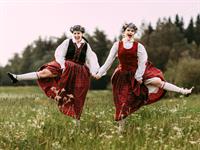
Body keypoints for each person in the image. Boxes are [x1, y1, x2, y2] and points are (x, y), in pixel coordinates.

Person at [94, 23, 193, 132]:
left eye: (132, 31)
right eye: (128, 30)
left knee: (158, 81)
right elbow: (109, 61)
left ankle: (183, 91)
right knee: (122, 102)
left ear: (134, 33)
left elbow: (142, 62)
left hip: (137, 72)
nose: (130, 32)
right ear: (124, 32)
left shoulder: (139, 46)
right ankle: (121, 130)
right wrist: (100, 73)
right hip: (122, 76)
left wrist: (139, 75)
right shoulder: (117, 45)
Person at [8, 25, 100, 126]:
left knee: (77, 96)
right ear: (72, 34)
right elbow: (59, 54)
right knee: (44, 73)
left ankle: (77, 124)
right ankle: (17, 77)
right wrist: (62, 65)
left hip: (78, 71)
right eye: (75, 33)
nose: (76, 35)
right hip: (65, 65)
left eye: (78, 33)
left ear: (82, 34)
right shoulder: (67, 42)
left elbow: (91, 60)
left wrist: (95, 72)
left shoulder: (86, 46)